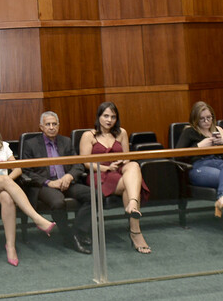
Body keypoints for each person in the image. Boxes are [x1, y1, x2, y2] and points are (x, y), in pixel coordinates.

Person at [0, 114, 56, 266]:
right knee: (4, 180)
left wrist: (6, 181)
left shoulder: (3, 146)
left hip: (2, 188)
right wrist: (2, 179)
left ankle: (11, 246)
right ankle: (37, 218)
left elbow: (18, 169)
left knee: (7, 198)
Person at [79, 102, 152, 254]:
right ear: (99, 117)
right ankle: (135, 231)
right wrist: (106, 167)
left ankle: (132, 203)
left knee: (134, 165)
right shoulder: (88, 135)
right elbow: (85, 163)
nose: (109, 120)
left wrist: (121, 161)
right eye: (106, 116)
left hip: (119, 170)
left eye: (113, 117)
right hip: (99, 173)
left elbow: (127, 157)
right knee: (129, 186)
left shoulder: (121, 133)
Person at [21, 111, 93, 255]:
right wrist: (48, 182)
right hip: (44, 185)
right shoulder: (31, 144)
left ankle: (77, 231)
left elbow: (78, 164)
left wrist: (69, 176)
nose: (51, 127)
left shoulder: (66, 141)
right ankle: (69, 238)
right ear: (41, 127)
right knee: (58, 202)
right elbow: (26, 171)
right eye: (48, 124)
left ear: (59, 126)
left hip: (66, 182)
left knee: (93, 195)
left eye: (54, 124)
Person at [176, 101, 223, 237]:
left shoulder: (218, 130)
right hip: (200, 166)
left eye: (209, 117)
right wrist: (200, 146)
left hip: (222, 164)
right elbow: (177, 154)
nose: (206, 121)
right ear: (195, 119)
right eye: (202, 119)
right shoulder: (189, 131)